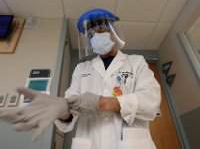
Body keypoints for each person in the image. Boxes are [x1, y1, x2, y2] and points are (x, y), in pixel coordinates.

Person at [0, 8, 161, 149]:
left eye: (100, 31)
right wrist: (62, 110)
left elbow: (151, 101)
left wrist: (103, 103)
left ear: (113, 33)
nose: (95, 37)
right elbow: (71, 108)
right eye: (91, 34)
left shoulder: (136, 62)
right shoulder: (81, 68)